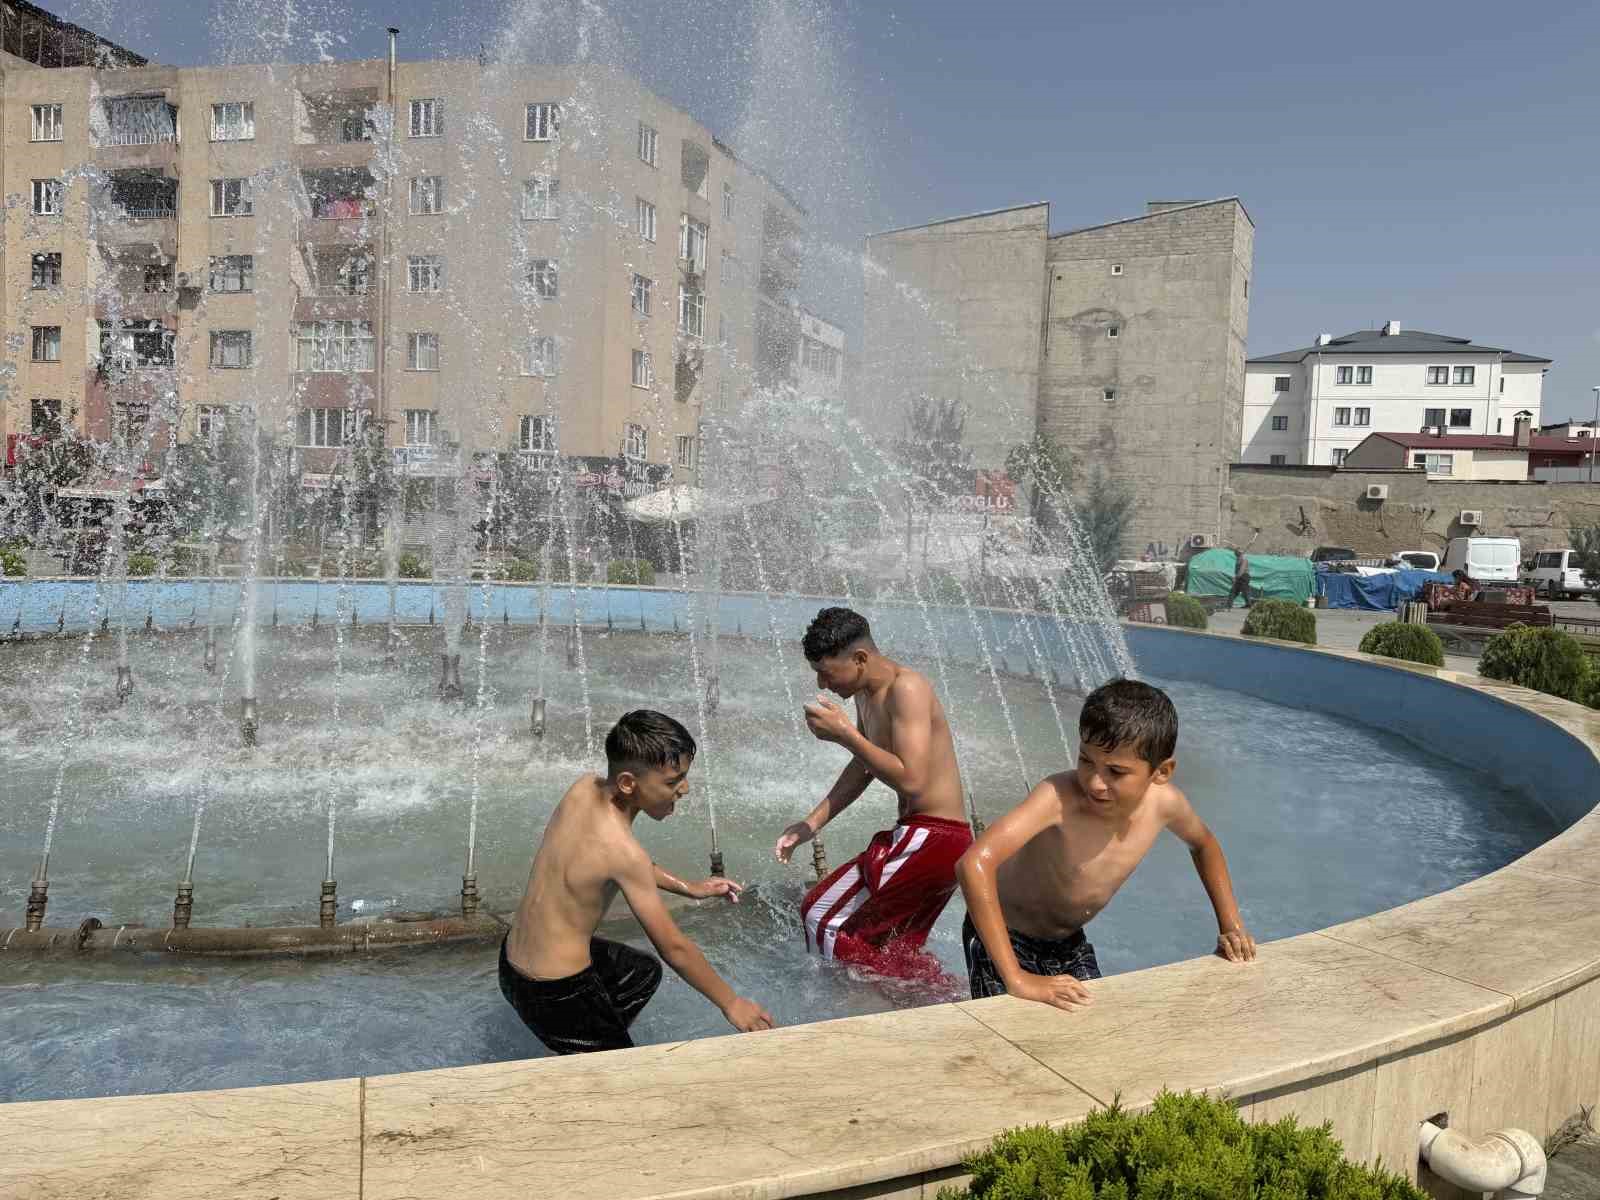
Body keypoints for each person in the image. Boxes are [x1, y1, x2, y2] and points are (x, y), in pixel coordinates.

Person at [956, 679, 1255, 1009]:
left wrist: (1231, 926)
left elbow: (1204, 844)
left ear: (1162, 771)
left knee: (1096, 1028)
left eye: (1116, 771)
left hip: (1068, 942)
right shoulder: (1058, 798)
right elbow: (973, 864)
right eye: (1086, 761)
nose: (1095, 782)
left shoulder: (1165, 805)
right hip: (1003, 939)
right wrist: (1015, 977)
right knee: (1012, 1034)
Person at [500, 709, 774, 1054]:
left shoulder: (582, 789)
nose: (684, 789)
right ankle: (588, 1058)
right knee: (621, 1082)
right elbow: (674, 947)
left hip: (510, 964)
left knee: (639, 973)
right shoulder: (623, 852)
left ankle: (594, 1040)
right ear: (629, 783)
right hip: (556, 994)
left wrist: (690, 887)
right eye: (673, 781)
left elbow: (619, 864)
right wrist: (732, 1003)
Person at [774, 607, 972, 967]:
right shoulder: (867, 695)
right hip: (924, 838)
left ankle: (840, 1010)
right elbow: (864, 767)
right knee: (887, 950)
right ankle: (931, 1002)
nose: (822, 685)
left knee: (822, 917)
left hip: (934, 836)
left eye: (825, 673)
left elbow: (912, 780)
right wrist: (811, 824)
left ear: (860, 658)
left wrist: (846, 735)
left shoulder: (906, 688)